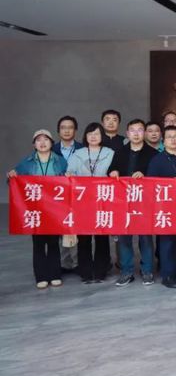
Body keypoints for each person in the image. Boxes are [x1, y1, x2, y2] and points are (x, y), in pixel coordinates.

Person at [7, 129, 68, 289]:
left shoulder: (60, 161)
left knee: (54, 242)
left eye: (46, 139)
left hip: (54, 208)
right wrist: (11, 176)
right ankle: (41, 276)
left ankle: (55, 274)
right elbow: (15, 184)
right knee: (38, 243)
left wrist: (69, 176)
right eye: (38, 140)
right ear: (34, 144)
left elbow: (68, 182)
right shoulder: (27, 162)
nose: (42, 143)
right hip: (35, 208)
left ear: (51, 143)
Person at [108, 119, 158, 286]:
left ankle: (147, 271)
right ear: (127, 134)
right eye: (133, 130)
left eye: (139, 130)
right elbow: (112, 169)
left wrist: (145, 175)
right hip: (123, 202)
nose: (136, 134)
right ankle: (126, 271)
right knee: (124, 238)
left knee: (145, 238)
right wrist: (113, 172)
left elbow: (157, 177)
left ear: (144, 133)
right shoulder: (120, 152)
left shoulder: (153, 153)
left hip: (144, 202)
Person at [146, 125, 176, 288]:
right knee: (167, 242)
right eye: (169, 137)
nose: (173, 140)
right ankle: (167, 275)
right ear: (163, 140)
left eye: (175, 137)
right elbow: (151, 184)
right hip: (165, 208)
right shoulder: (157, 160)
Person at [67, 122, 115, 284]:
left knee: (102, 236)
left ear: (102, 136)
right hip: (82, 201)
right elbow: (70, 172)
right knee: (84, 237)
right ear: (85, 136)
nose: (93, 137)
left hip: (103, 200)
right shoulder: (78, 154)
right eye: (90, 134)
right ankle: (85, 271)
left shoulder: (110, 153)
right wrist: (69, 174)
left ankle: (101, 270)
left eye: (97, 134)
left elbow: (114, 171)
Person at [52, 115, 82, 272]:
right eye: (63, 128)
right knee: (59, 229)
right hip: (56, 196)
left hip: (78, 195)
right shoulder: (51, 149)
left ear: (75, 130)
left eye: (70, 127)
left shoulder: (83, 148)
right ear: (58, 131)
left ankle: (78, 263)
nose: (67, 131)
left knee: (78, 228)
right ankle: (63, 264)